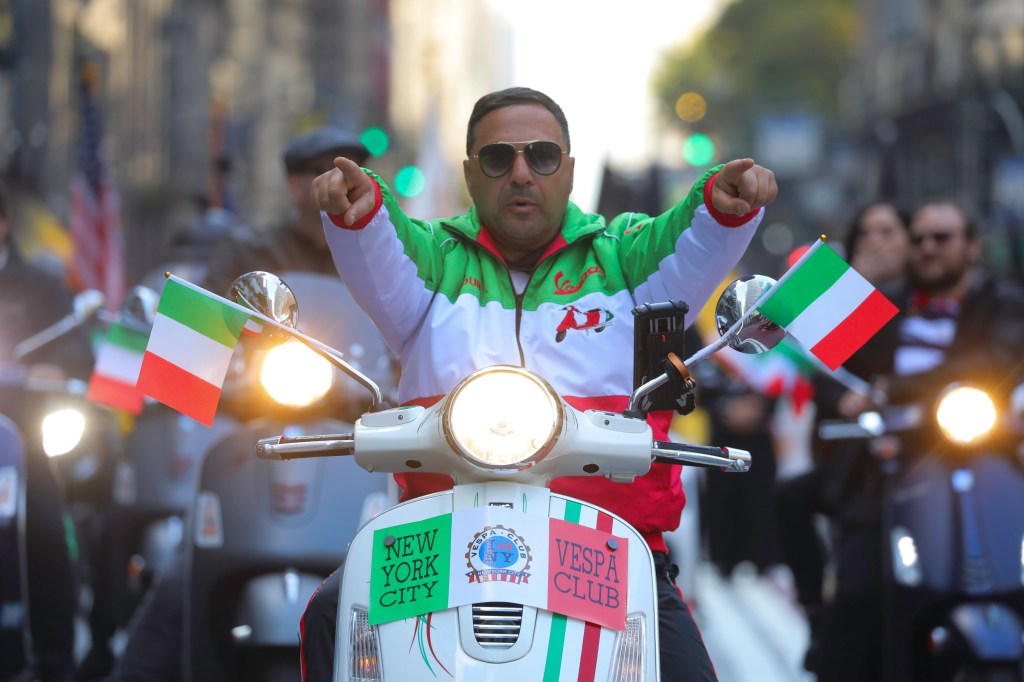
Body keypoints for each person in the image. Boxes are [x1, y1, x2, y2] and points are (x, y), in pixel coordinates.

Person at [303, 86, 778, 681]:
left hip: (606, 549)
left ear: (571, 170)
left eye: (543, 157)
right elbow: (380, 239)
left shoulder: (627, 258)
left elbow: (692, 234)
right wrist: (358, 207)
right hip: (438, 544)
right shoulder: (431, 261)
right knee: (331, 614)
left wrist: (724, 201)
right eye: (499, 159)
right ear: (471, 175)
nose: (522, 173)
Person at [109, 128, 375, 682]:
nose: (334, 184)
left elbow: (415, 337)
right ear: (293, 183)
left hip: (360, 451)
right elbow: (190, 354)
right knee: (183, 582)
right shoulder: (249, 251)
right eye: (317, 173)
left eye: (348, 171)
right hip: (260, 446)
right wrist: (204, 364)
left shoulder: (384, 252)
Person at [809, 200, 1024, 681]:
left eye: (942, 238)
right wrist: (850, 399)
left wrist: (895, 391)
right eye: (921, 238)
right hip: (891, 468)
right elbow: (831, 369)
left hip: (991, 463)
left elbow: (994, 362)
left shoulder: (1002, 303)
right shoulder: (884, 305)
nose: (928, 248)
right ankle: (822, 631)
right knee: (863, 592)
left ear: (971, 247)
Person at [774, 199, 911, 670]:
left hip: (912, 469)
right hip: (853, 473)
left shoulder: (920, 300)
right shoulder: (839, 301)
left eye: (889, 231)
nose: (877, 242)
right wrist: (843, 400)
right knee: (791, 498)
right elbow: (823, 371)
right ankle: (815, 613)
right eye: (867, 232)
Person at [0, 183, 90, 682]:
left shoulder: (39, 287)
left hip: (24, 446)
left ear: (4, 223)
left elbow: (76, 348)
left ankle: (55, 664)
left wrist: (57, 368)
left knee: (46, 534)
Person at [201, 125, 371, 296]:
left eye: (354, 170)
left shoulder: (371, 260)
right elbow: (205, 311)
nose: (343, 180)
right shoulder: (247, 251)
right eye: (326, 169)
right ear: (295, 185)